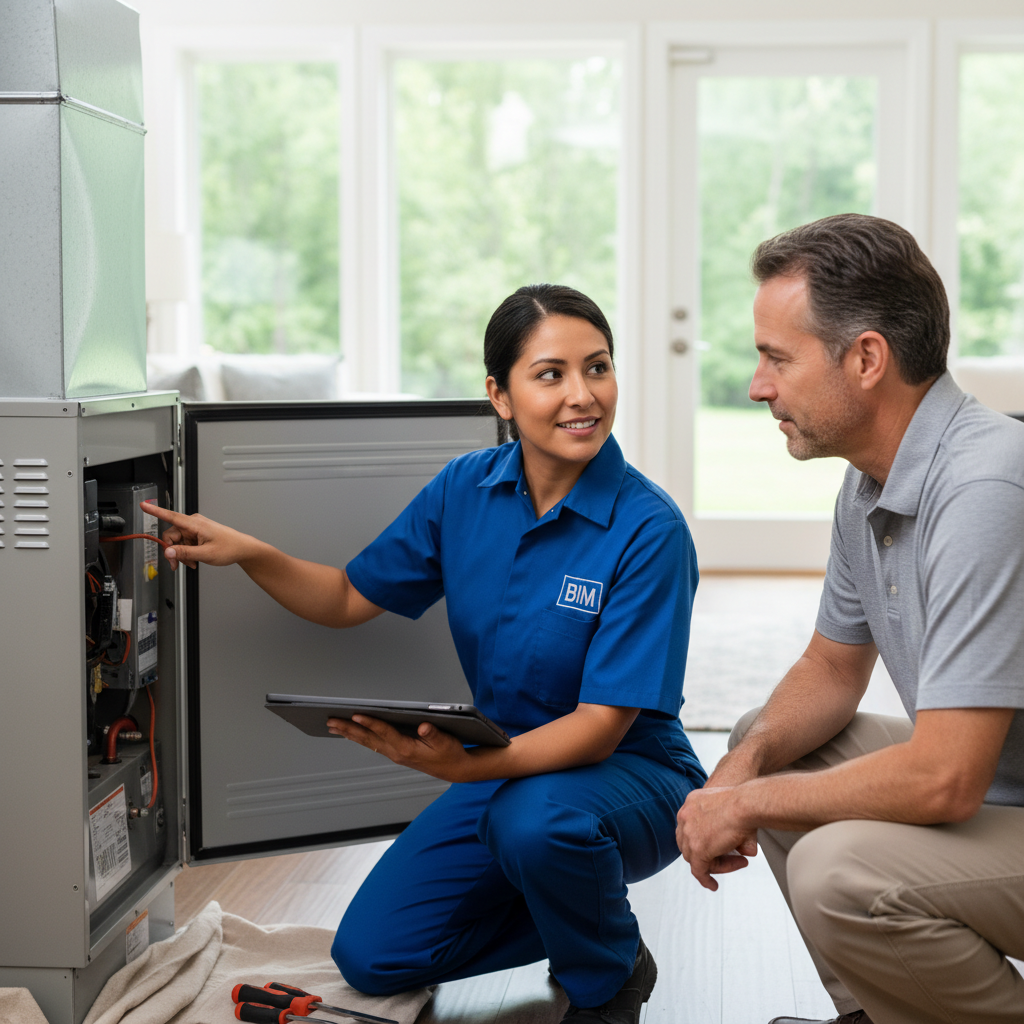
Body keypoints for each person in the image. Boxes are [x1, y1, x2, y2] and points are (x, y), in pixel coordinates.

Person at [146, 284, 706, 1024]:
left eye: (597, 367)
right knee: (372, 956)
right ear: (500, 396)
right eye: (550, 374)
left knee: (536, 825)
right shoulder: (463, 490)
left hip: (630, 775)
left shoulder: (649, 529)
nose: (583, 395)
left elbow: (602, 726)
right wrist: (250, 552)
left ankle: (609, 973)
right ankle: (581, 910)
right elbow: (347, 596)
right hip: (511, 769)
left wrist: (471, 768)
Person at [675, 213, 1024, 1024]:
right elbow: (832, 669)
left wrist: (749, 806)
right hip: (1000, 788)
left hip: (985, 787)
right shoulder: (872, 480)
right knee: (768, 739)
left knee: (840, 871)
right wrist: (745, 769)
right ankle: (877, 1010)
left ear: (866, 359)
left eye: (777, 358)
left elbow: (945, 778)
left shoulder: (985, 488)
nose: (757, 386)